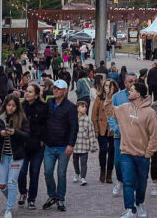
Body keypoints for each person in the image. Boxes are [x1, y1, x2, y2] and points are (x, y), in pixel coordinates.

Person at [115, 81, 157, 218]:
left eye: (132, 90)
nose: (129, 92)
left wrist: (148, 152)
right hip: (126, 152)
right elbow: (111, 111)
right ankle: (130, 209)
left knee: (141, 182)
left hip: (142, 154)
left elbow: (154, 134)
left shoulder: (150, 112)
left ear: (139, 94)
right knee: (128, 181)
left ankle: (139, 203)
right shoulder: (124, 108)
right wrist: (105, 96)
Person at [0, 94, 30, 218]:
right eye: (9, 105)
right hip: (2, 156)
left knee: (12, 182)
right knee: (2, 185)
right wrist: (0, 133)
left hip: (17, 155)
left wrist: (15, 132)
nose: (11, 108)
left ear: (17, 106)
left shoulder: (22, 118)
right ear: (5, 105)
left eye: (13, 105)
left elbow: (27, 135)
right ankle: (11, 198)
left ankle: (9, 209)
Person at [42, 79, 78, 212]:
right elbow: (43, 121)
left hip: (64, 146)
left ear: (64, 91)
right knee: (47, 172)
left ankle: (61, 198)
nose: (55, 90)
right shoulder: (49, 103)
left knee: (61, 173)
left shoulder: (70, 107)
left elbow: (74, 128)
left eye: (58, 88)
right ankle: (52, 196)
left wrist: (71, 144)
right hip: (49, 145)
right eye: (54, 88)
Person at [19, 83, 48, 210]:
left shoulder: (43, 107)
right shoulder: (21, 107)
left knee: (34, 173)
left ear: (36, 95)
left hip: (37, 145)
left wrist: (43, 139)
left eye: (30, 92)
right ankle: (23, 193)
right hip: (23, 145)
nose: (27, 93)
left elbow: (47, 125)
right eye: (26, 91)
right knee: (21, 171)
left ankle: (32, 199)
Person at [110, 74, 135, 197]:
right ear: (125, 83)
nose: (133, 83)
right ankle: (120, 180)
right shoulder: (117, 97)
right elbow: (111, 115)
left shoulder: (142, 97)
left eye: (135, 81)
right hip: (120, 136)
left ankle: (131, 184)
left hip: (136, 136)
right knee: (118, 162)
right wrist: (116, 128)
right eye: (130, 81)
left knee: (134, 161)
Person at [92, 79, 119, 184]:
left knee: (112, 152)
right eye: (106, 85)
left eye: (110, 86)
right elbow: (94, 115)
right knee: (103, 151)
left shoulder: (116, 99)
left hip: (113, 130)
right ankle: (102, 170)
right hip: (102, 129)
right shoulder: (99, 98)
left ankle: (109, 174)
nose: (107, 88)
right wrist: (96, 129)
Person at [72, 100, 98, 186]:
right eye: (82, 106)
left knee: (84, 162)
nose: (85, 108)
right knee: (75, 161)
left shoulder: (87, 120)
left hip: (84, 146)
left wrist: (93, 146)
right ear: (77, 108)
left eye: (86, 107)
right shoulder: (73, 119)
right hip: (75, 146)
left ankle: (83, 177)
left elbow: (91, 133)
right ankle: (77, 173)